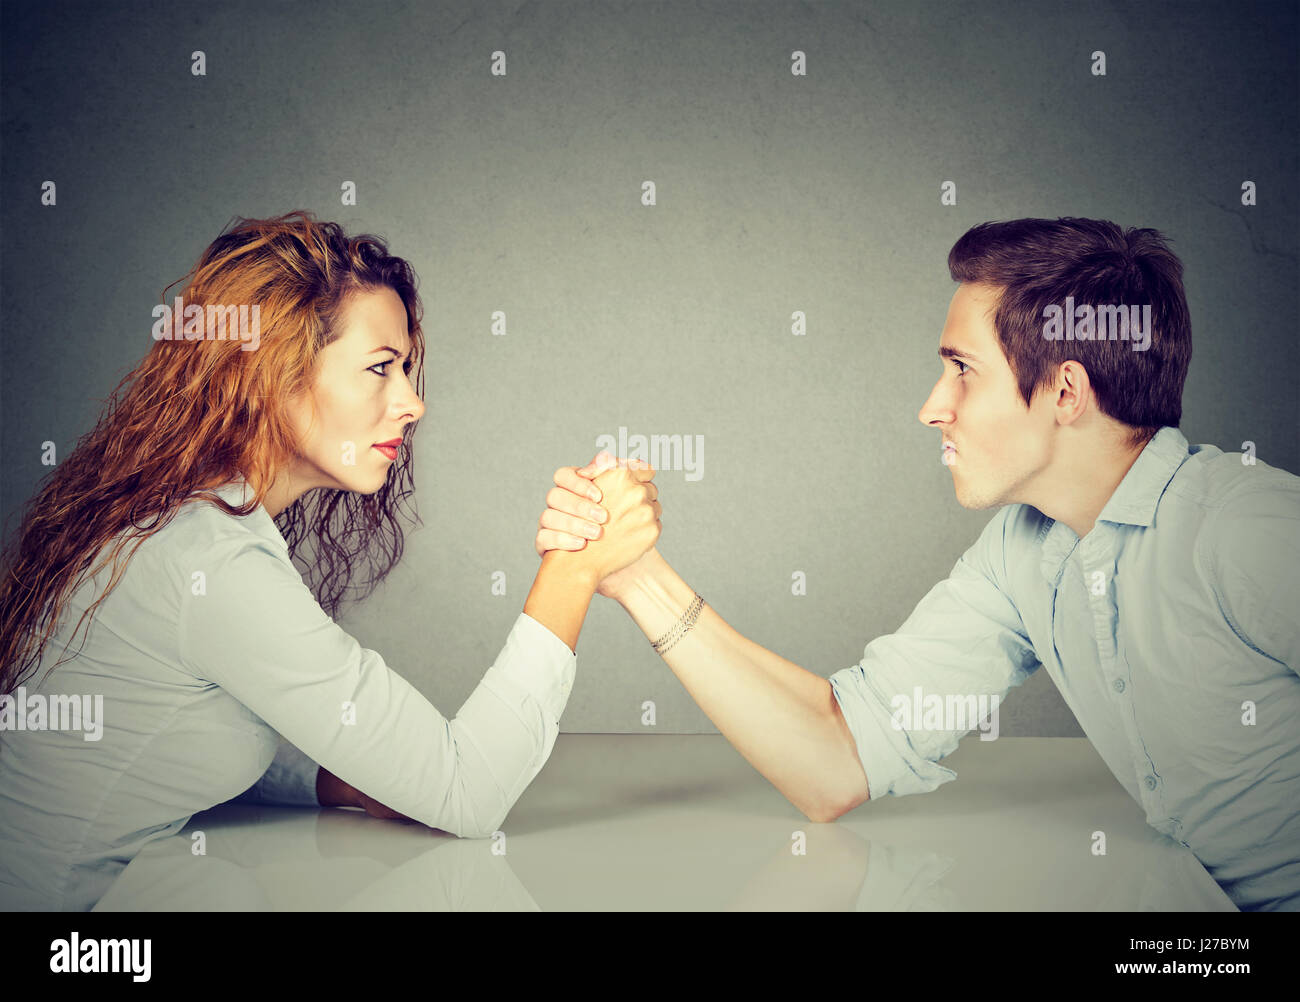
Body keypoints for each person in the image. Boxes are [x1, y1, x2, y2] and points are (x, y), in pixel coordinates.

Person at [537, 217, 1300, 912]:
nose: (934, 407)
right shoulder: (1023, 552)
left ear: (1066, 390)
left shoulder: (1246, 529)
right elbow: (837, 761)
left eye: (963, 369)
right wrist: (636, 575)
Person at [0, 210, 661, 911]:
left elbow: (165, 731)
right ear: (272, 373)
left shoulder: (178, 527)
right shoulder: (213, 566)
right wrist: (575, 562)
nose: (413, 403)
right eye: (380, 368)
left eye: (406, 369)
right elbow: (469, 791)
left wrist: (339, 780)